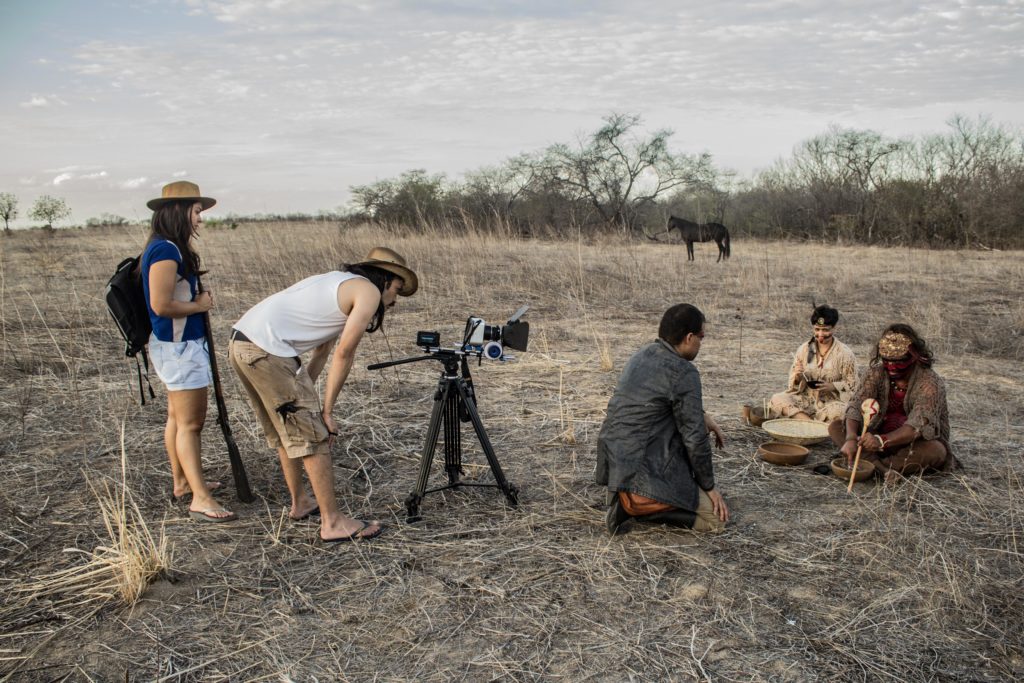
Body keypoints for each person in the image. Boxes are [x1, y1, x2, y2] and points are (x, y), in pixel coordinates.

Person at [228, 247, 418, 542]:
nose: (394, 300)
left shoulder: (337, 282)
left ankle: (301, 502)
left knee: (287, 429)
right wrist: (323, 413)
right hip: (268, 351)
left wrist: (307, 399)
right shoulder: (368, 291)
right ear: (384, 279)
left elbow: (323, 350)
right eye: (396, 288)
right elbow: (344, 353)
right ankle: (332, 522)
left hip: (242, 342)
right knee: (313, 436)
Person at [142, 180, 236, 523]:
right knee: (192, 424)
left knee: (177, 419)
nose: (201, 219)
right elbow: (161, 304)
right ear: (180, 212)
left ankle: (183, 482)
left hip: (176, 346)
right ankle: (200, 498)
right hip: (179, 347)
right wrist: (200, 305)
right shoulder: (167, 250)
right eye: (197, 212)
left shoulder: (166, 247)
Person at [595, 303, 729, 535]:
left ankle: (628, 499)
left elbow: (662, 402)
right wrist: (709, 486)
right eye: (701, 337)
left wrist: (704, 416)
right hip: (643, 473)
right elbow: (695, 438)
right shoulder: (684, 371)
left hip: (616, 465)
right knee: (716, 522)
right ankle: (634, 510)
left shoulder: (641, 355)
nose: (701, 343)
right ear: (689, 337)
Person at [829, 324, 958, 483]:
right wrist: (850, 438)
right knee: (836, 427)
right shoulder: (877, 372)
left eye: (899, 362)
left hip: (910, 445)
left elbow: (916, 428)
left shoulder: (929, 382)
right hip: (874, 439)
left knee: (936, 450)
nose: (892, 368)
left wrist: (881, 440)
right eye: (887, 361)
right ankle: (882, 470)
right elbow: (856, 406)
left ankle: (873, 466)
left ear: (914, 356)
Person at [742, 304, 857, 426]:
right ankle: (811, 425)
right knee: (778, 399)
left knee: (840, 412)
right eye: (817, 329)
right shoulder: (804, 349)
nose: (821, 334)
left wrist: (833, 386)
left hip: (832, 402)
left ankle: (800, 422)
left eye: (826, 330)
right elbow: (793, 386)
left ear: (834, 329)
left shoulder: (845, 354)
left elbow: (854, 387)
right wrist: (798, 377)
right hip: (806, 399)